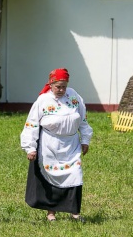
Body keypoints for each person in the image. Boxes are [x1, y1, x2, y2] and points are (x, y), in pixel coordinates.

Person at [20, 68, 93, 222]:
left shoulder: (74, 96)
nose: (61, 90)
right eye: (57, 86)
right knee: (51, 176)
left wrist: (85, 139)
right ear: (51, 84)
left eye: (63, 86)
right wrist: (30, 147)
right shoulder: (43, 100)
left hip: (71, 144)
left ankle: (74, 212)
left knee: (75, 174)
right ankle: (51, 213)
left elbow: (82, 119)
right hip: (50, 144)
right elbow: (31, 124)